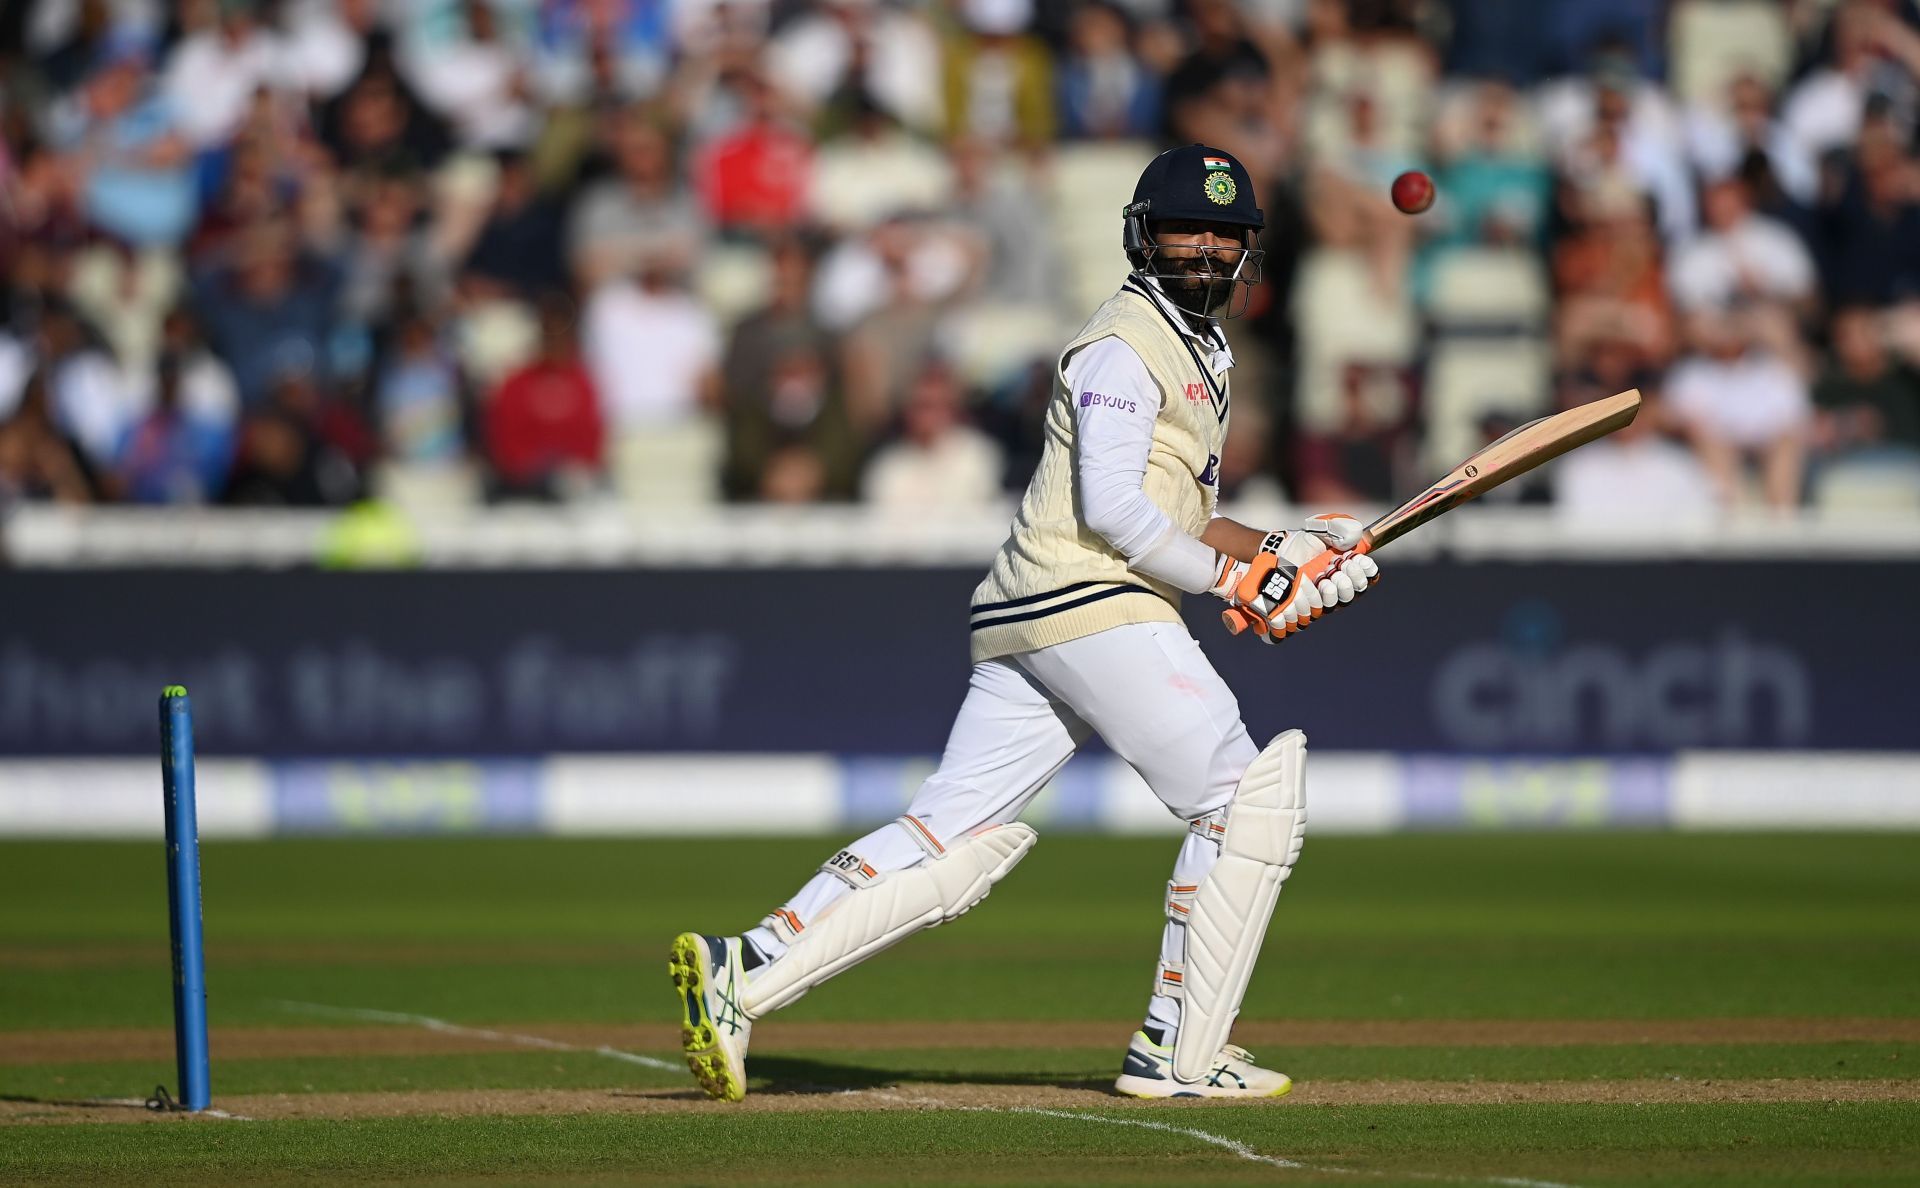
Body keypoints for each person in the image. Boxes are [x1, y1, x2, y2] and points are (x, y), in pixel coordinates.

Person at [668, 145, 1380, 1102]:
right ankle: (1181, 1050)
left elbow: (1178, 510)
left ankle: (743, 970)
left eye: (1225, 234)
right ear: (1144, 236)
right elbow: (1117, 512)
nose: (1207, 248)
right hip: (1087, 597)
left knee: (950, 838)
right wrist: (1236, 583)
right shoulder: (1124, 346)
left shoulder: (1199, 349)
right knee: (1244, 801)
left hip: (1040, 609)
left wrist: (1284, 547)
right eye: (1187, 229)